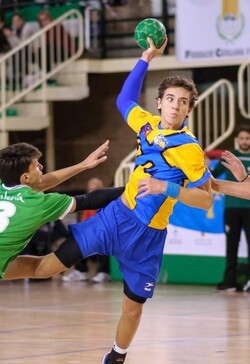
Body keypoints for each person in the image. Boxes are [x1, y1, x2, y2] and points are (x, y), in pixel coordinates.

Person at [2, 38, 213, 363]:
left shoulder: (190, 149)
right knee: (49, 268)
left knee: (132, 309)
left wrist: (166, 188)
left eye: (183, 102)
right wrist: (145, 58)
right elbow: (125, 98)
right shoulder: (146, 123)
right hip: (115, 217)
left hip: (148, 236)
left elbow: (205, 201)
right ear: (158, 103)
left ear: (189, 110)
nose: (175, 105)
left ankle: (117, 355)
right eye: (169, 98)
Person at [0, 140, 124, 281]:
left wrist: (82, 165)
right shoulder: (38, 203)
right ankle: (90, 237)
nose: (41, 167)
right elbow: (89, 200)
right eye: (36, 165)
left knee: (40, 269)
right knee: (40, 268)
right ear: (25, 177)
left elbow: (39, 184)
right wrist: (132, 189)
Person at [210, 125, 250, 293]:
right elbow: (213, 176)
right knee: (231, 246)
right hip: (232, 208)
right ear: (237, 139)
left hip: (249, 208)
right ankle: (229, 281)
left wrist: (244, 178)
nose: (244, 141)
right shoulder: (230, 157)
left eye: (247, 138)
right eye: (241, 138)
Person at [62, 177, 111, 283]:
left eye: (96, 188)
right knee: (77, 238)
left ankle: (104, 273)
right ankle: (81, 271)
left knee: (106, 238)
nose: (93, 191)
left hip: (106, 232)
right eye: (90, 189)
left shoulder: (109, 202)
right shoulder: (89, 203)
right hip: (93, 232)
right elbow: (85, 222)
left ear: (103, 188)